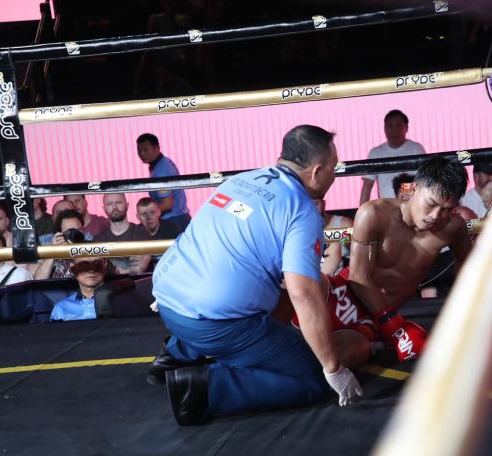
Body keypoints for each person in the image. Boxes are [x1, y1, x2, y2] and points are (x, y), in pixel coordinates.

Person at [151, 125, 361, 426]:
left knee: (273, 293)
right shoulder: (301, 211)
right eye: (333, 167)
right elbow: (303, 292)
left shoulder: (241, 181)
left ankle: (173, 354)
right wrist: (332, 368)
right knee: (311, 379)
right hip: (212, 323)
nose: (335, 175)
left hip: (168, 297)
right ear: (316, 171)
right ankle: (203, 388)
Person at [296, 156, 472, 366]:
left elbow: (468, 268)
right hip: (344, 293)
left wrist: (463, 313)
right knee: (300, 285)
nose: (435, 216)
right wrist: (394, 326)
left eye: (446, 209)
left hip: (372, 320)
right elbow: (358, 276)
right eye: (431, 204)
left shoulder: (453, 228)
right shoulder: (374, 213)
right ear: (414, 188)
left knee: (347, 355)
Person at [359, 110, 426, 205]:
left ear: (406, 128)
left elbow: (422, 181)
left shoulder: (416, 149)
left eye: (398, 126)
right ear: (384, 128)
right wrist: (361, 211)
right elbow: (367, 185)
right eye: (390, 126)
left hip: (410, 205)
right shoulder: (376, 153)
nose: (394, 130)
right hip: (385, 207)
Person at [136, 133, 191, 231]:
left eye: (146, 150)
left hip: (174, 221)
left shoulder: (162, 170)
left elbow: (167, 204)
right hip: (178, 218)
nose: (142, 154)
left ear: (157, 148)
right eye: (139, 150)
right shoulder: (163, 163)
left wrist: (145, 214)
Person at [95, 193, 152, 275]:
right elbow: (99, 270)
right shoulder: (98, 240)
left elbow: (138, 269)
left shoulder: (141, 234)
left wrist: (112, 267)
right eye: (110, 204)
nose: (114, 207)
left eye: (118, 202)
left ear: (127, 205)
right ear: (104, 209)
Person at [35, 209, 93, 280]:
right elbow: (38, 281)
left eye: (78, 230)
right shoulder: (51, 253)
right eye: (70, 231)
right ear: (60, 234)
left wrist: (76, 255)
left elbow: (92, 279)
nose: (75, 234)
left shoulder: (91, 249)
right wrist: (52, 253)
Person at [136, 197, 181, 271]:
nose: (149, 217)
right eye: (144, 214)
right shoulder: (134, 234)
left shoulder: (173, 230)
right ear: (137, 217)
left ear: (159, 212)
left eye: (152, 212)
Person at [314, 198, 353, 276]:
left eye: (315, 204)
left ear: (323, 204)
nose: (311, 209)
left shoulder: (344, 224)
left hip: (342, 277)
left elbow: (362, 248)